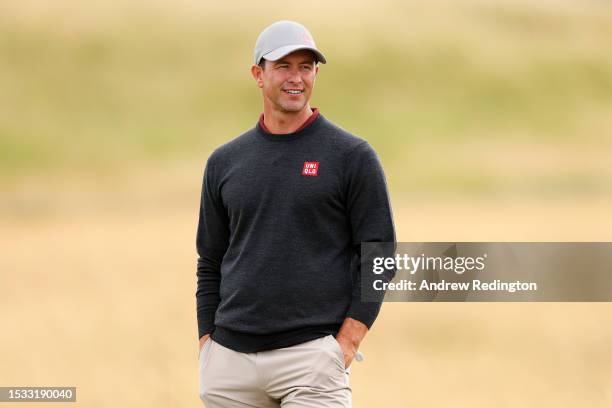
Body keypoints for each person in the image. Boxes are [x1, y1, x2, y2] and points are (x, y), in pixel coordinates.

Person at [195, 20, 395, 408]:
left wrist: (346, 344)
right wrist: (207, 343)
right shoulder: (225, 162)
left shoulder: (351, 157)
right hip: (230, 365)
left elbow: (380, 256)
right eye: (284, 65)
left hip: (312, 362)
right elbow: (210, 260)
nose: (296, 77)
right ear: (258, 74)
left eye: (306, 67)